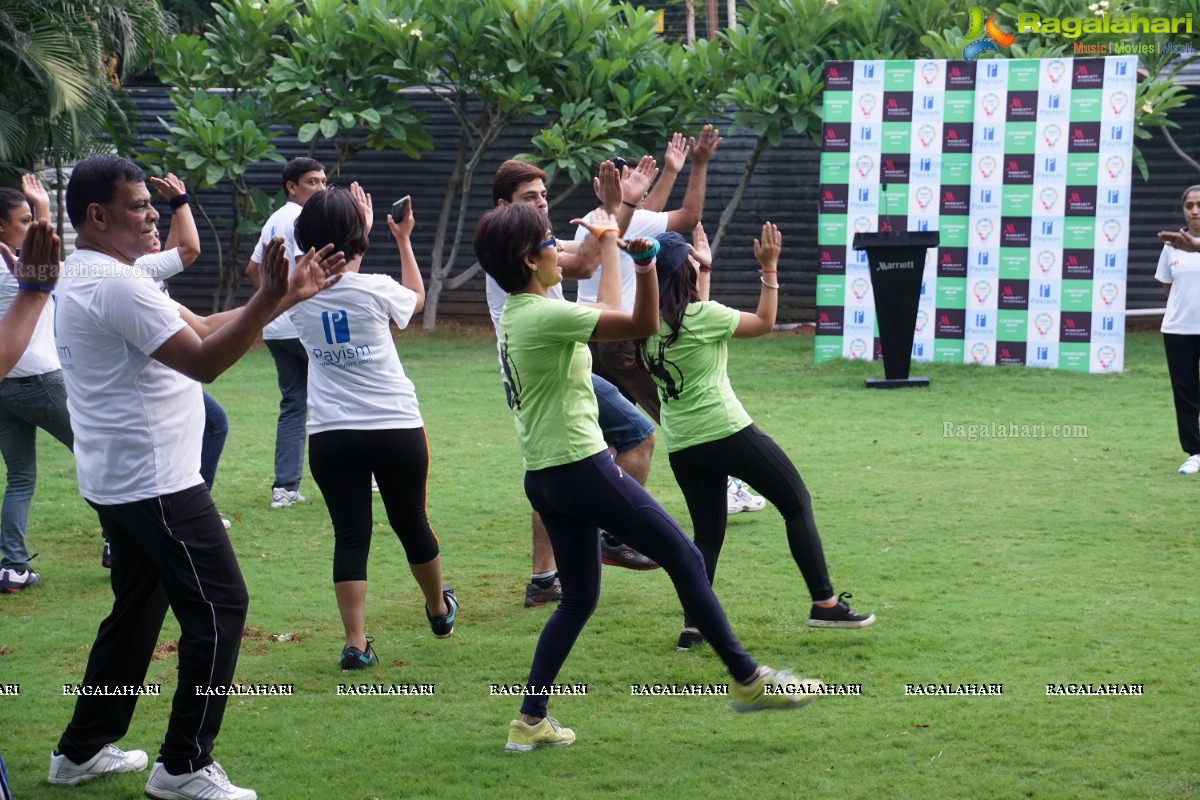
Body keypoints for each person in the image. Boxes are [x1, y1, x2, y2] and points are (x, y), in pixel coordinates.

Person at [47, 154, 344, 800]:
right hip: (154, 483)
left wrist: (278, 298)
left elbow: (205, 326)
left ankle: (81, 749)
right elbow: (205, 362)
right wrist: (269, 297)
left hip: (122, 479)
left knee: (136, 610)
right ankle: (182, 765)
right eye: (138, 205)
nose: (155, 213)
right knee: (221, 606)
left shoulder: (98, 273)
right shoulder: (114, 284)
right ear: (96, 216)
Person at [474, 202, 821, 754]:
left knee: (579, 599)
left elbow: (603, 304)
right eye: (550, 243)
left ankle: (530, 719)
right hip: (580, 468)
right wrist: (638, 261)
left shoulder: (519, 313)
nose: (560, 251)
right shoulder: (544, 316)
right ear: (527, 258)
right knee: (685, 556)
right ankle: (749, 678)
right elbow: (633, 319)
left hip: (545, 476)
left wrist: (613, 238)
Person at [637, 224, 876, 650]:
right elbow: (764, 322)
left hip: (684, 446)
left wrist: (701, 265)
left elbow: (691, 308)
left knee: (708, 535)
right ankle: (824, 604)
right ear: (684, 273)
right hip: (726, 431)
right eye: (692, 260)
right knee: (796, 501)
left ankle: (694, 625)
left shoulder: (646, 327)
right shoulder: (704, 318)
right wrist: (769, 268)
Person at [288, 186, 457, 669]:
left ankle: (355, 643)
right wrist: (400, 239)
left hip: (330, 434)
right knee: (412, 523)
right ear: (357, 242)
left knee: (350, 535)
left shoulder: (293, 298)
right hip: (395, 427)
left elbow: (328, 275)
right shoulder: (377, 288)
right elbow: (417, 299)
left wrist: (353, 233)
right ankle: (438, 609)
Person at [485, 159, 661, 608]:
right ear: (505, 205)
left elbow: (588, 252)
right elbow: (591, 267)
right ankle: (613, 534)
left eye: (544, 196)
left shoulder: (516, 240)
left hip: (541, 366)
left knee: (551, 471)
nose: (541, 204)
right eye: (530, 198)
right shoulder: (513, 246)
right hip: (549, 366)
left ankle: (545, 578)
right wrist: (614, 214)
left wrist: (618, 208)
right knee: (636, 436)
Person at [574, 127, 767, 518]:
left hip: (591, 337)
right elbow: (688, 216)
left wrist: (669, 173)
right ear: (607, 186)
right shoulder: (624, 222)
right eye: (630, 182)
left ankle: (588, 494)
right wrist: (695, 166)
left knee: (609, 428)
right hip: (625, 340)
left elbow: (642, 215)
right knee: (674, 410)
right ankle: (724, 485)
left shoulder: (594, 224)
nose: (640, 190)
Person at [0, 177, 72, 592]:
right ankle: (118, 542)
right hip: (39, 381)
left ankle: (13, 567)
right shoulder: (16, 268)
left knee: (20, 477)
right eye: (23, 221)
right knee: (99, 455)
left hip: (3, 389)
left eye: (32, 221)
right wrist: (43, 207)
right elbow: (49, 269)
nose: (31, 228)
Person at [245, 157, 329, 509]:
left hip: (277, 330)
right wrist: (298, 304)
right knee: (337, 397)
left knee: (294, 404)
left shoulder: (273, 220)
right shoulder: (301, 219)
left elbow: (252, 270)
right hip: (304, 328)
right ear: (291, 187)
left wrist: (274, 303)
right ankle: (362, 474)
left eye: (324, 181)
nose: (321, 188)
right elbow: (312, 270)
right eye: (313, 182)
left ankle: (284, 489)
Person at [1155, 186, 1200, 474]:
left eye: (1199, 205)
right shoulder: (1171, 246)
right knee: (1185, 394)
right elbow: (1168, 287)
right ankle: (1195, 452)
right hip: (1179, 330)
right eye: (1189, 205)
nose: (1195, 210)